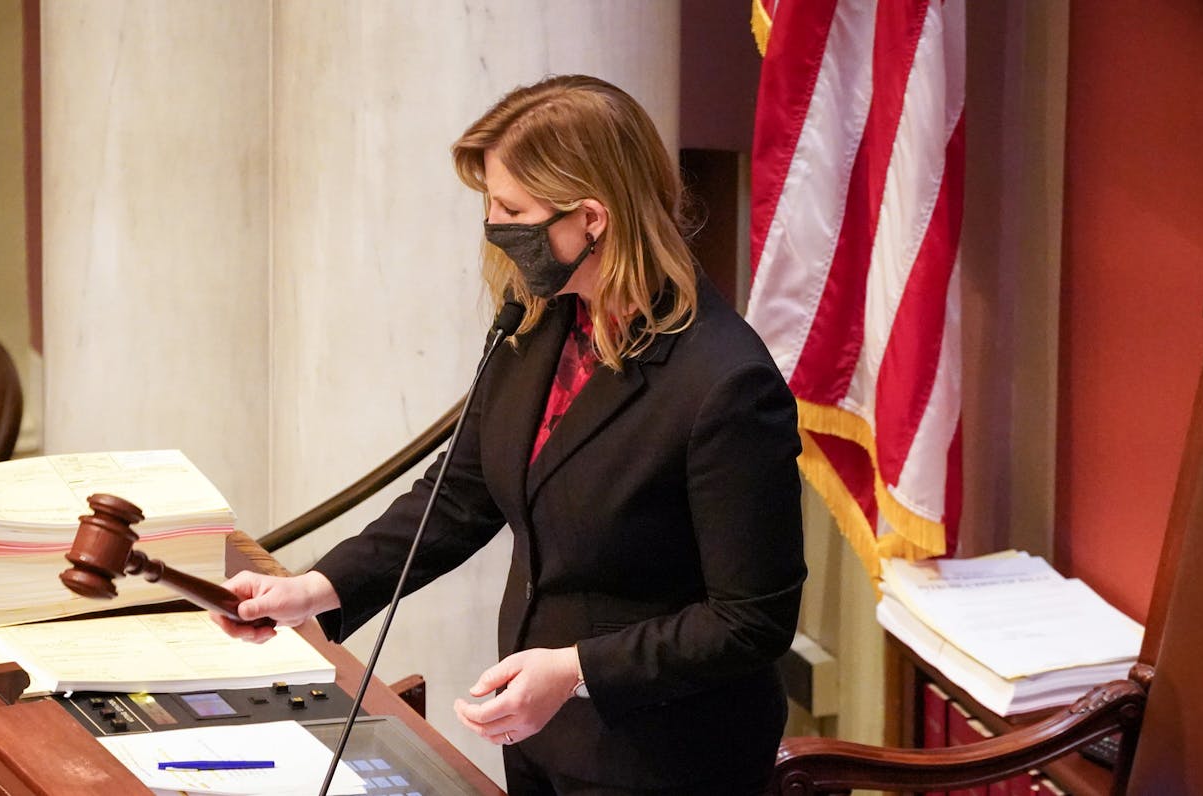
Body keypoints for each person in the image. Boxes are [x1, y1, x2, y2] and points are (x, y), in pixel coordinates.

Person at [214, 74, 806, 795]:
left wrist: (576, 670)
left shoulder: (726, 384)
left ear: (591, 218)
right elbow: (459, 497)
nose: (493, 224)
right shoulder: (542, 321)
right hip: (538, 737)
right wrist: (319, 589)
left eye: (512, 208)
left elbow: (751, 622)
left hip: (664, 759)